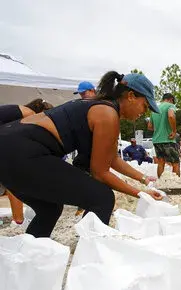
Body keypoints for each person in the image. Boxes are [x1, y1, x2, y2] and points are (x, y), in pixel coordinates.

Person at [0, 71, 163, 238]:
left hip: (8, 149)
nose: (145, 112)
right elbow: (100, 173)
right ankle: (91, 252)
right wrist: (139, 193)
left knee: (49, 207)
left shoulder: (97, 105)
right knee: (102, 197)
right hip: (23, 150)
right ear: (131, 96)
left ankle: (31, 253)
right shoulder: (107, 114)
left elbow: (111, 158)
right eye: (145, 105)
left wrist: (143, 178)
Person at [0, 98, 54, 227]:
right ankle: (19, 220)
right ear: (41, 111)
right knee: (14, 183)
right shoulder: (29, 114)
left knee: (11, 183)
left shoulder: (16, 110)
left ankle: (18, 219)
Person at [148, 93, 180, 177]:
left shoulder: (154, 109)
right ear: (171, 100)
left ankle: (160, 184)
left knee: (160, 163)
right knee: (175, 163)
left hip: (157, 140)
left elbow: (150, 127)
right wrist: (173, 131)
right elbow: (171, 116)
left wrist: (159, 127)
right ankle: (177, 184)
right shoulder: (170, 106)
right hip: (168, 140)